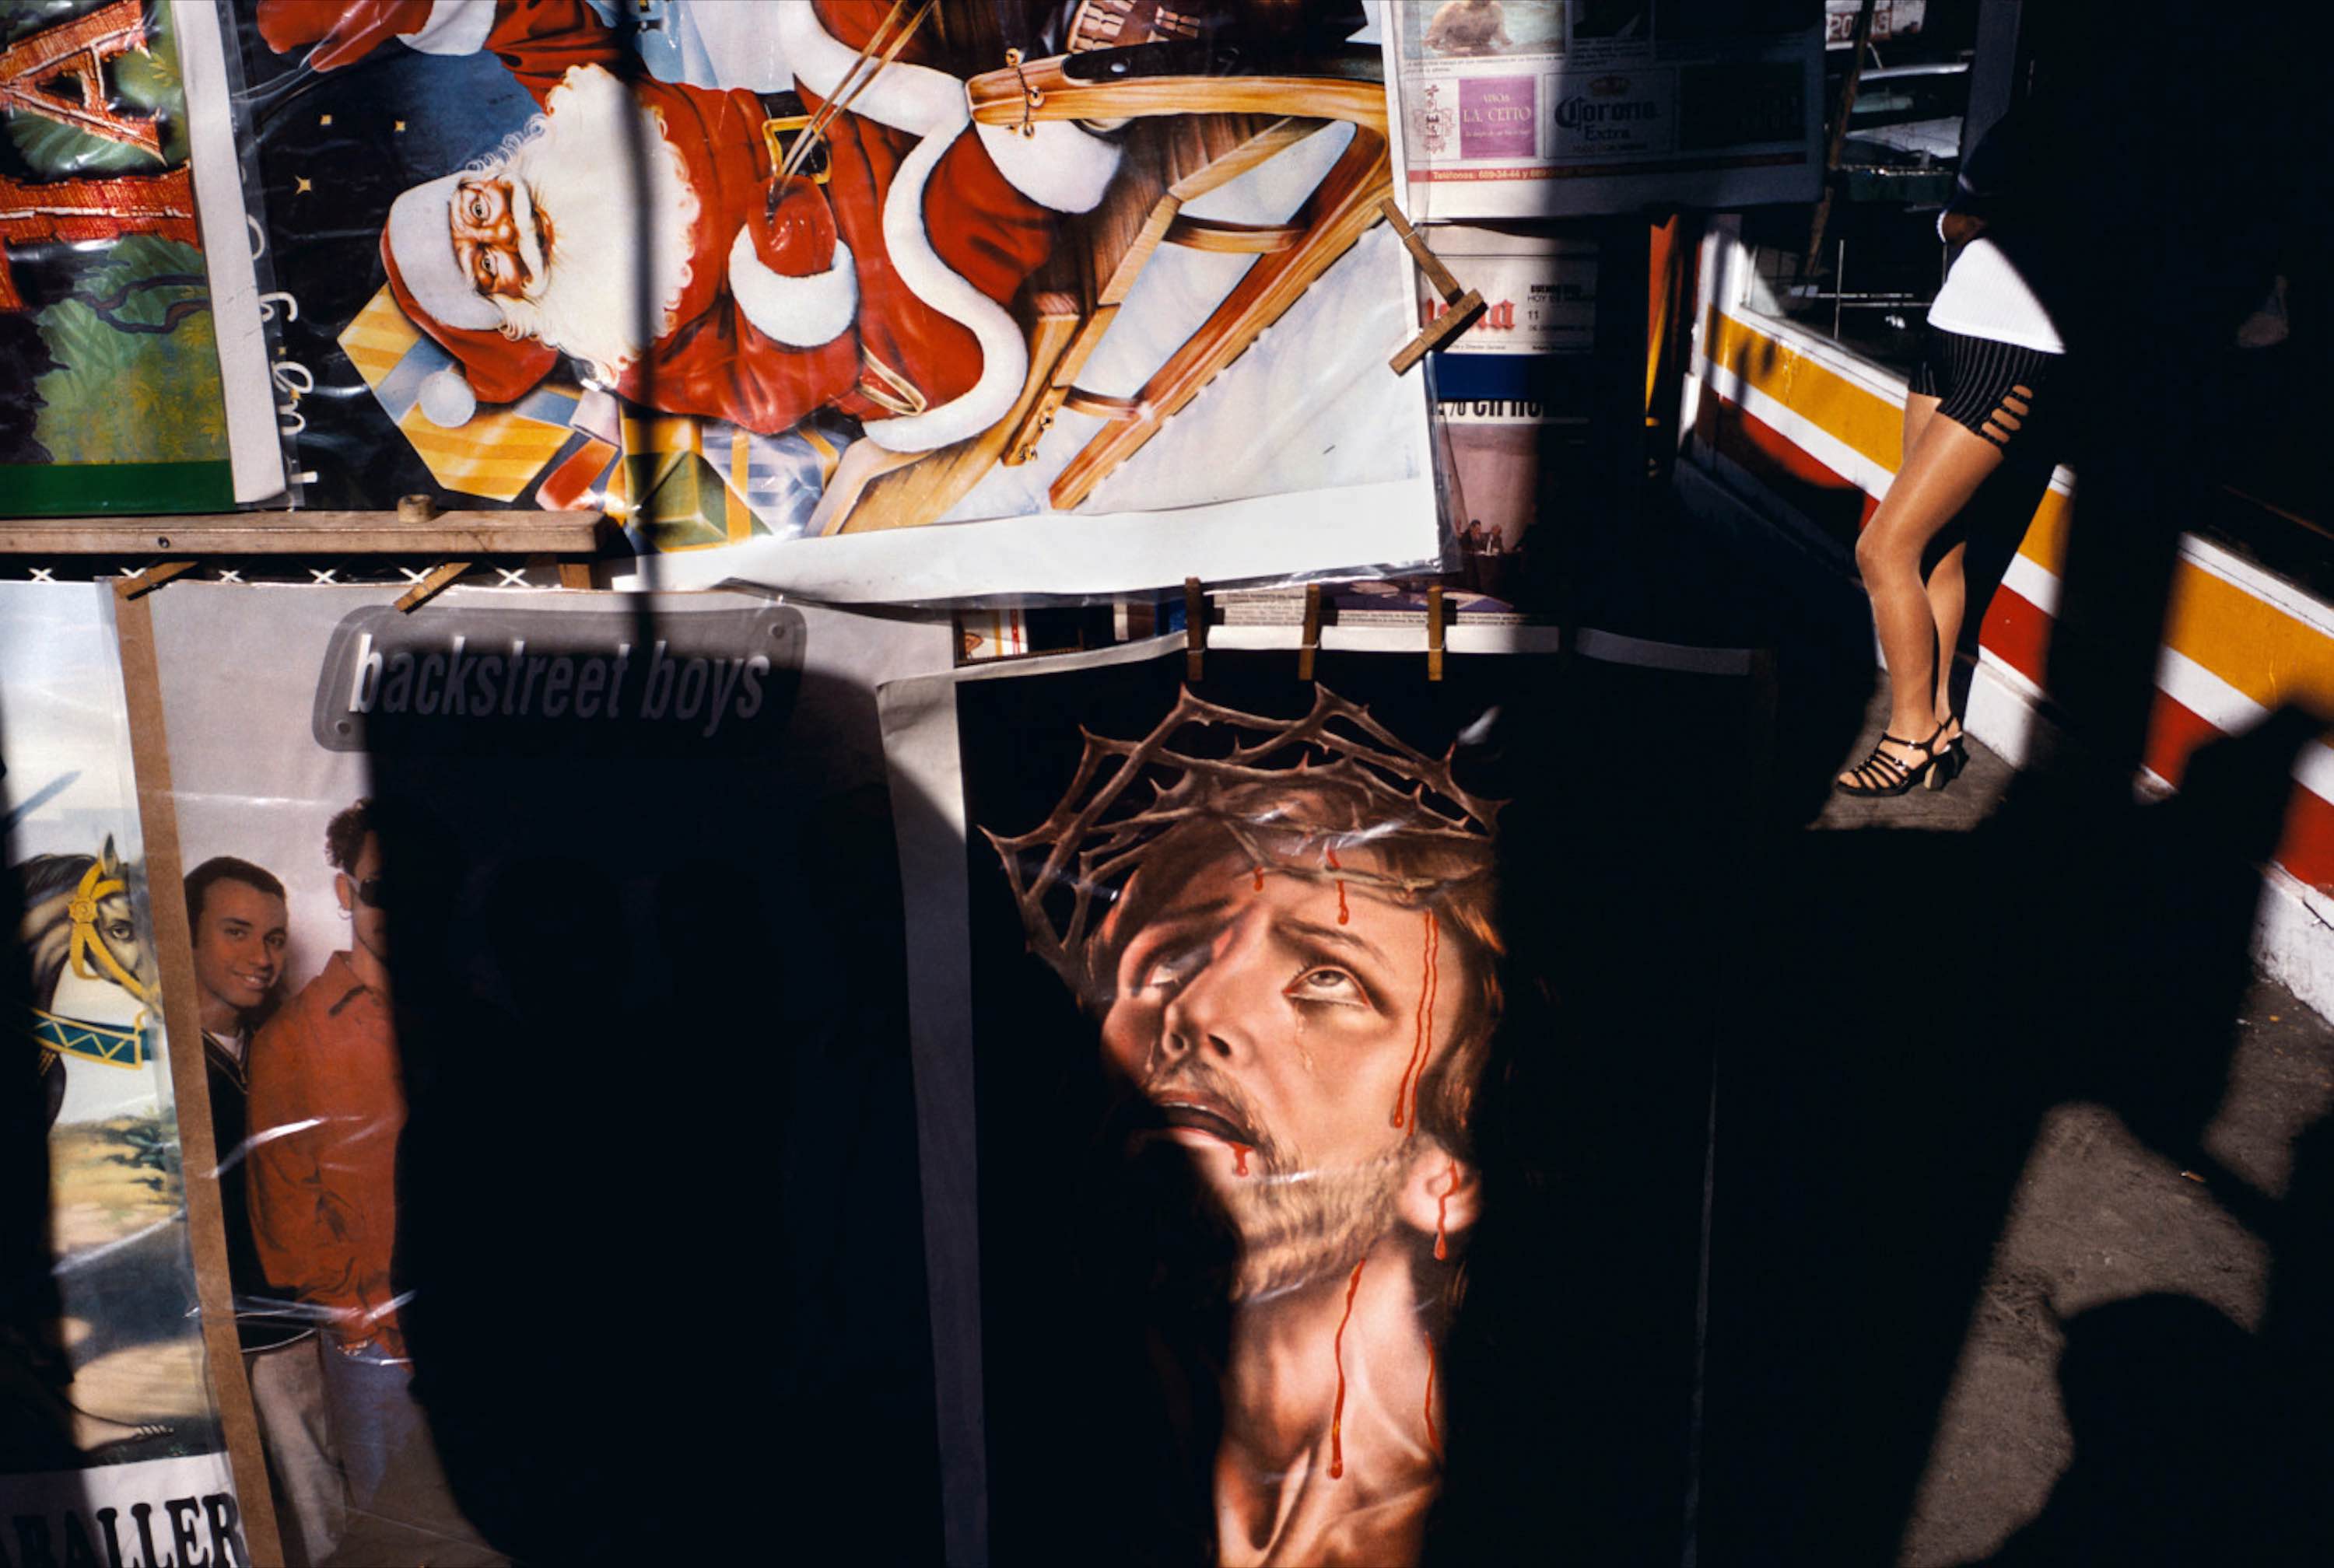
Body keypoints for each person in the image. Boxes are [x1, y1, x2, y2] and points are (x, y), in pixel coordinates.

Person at [252, 0, 1126, 531]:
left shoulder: (584, 113)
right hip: (878, 281)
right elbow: (767, 394)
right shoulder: (635, 347)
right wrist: (794, 280)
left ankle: (1064, 23)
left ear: (483, 181)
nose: (503, 235)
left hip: (854, 114)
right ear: (514, 314)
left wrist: (411, 7)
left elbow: (533, 19)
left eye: (473, 215)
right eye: (486, 269)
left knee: (847, 12)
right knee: (950, 244)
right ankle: (1093, 100)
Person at [988, 688, 1501, 1566]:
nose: (1196, 1009)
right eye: (1175, 957)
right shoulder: (1036, 1460)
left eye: (1328, 979)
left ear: (1447, 1175)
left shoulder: (1509, 1520)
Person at [1835, 108, 2066, 797]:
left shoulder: (2122, 139)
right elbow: (1957, 216)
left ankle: (1909, 734)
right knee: (1939, 544)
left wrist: (1983, 219)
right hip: (1948, 329)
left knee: (1883, 549)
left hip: (2016, 349)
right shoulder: (2032, 123)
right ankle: (1939, 723)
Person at [244, 801, 420, 1527]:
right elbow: (287, 1209)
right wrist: (359, 1326)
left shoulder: (471, 1018)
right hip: (377, 1353)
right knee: (396, 1540)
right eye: (381, 888)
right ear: (346, 892)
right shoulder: (293, 1038)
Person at [183, 858, 343, 1565]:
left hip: (291, 1326)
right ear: (185, 935)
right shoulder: (149, 1058)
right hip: (197, 1341)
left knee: (327, 1522)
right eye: (237, 932)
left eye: (275, 938)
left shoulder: (287, 1041)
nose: (262, 957)